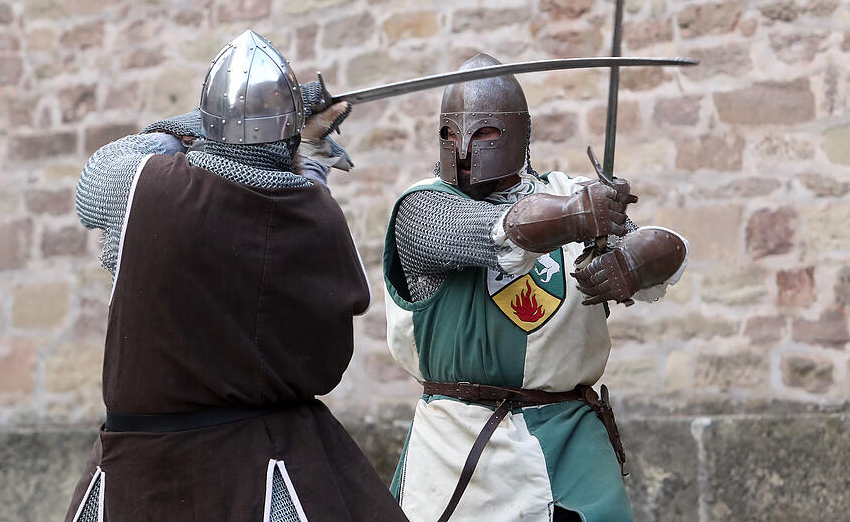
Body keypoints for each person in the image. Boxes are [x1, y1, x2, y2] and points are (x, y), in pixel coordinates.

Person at [64, 30, 408, 522]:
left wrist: (185, 127)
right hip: (260, 466)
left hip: (139, 475)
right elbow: (326, 362)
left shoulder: (149, 187)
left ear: (210, 125)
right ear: (289, 136)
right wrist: (303, 163)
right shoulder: (315, 216)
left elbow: (97, 178)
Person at [383, 53, 688, 522]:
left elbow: (669, 251)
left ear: (519, 134)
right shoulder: (423, 207)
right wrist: (579, 214)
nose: (465, 148)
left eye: (485, 132)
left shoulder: (572, 191)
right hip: (461, 444)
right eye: (452, 133)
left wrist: (629, 263)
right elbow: (504, 229)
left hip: (571, 442)